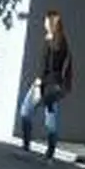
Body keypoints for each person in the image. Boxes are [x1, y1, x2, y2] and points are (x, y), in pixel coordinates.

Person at [19, 9, 73, 160]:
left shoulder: (52, 41)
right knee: (50, 117)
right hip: (54, 85)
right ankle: (50, 152)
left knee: (26, 111)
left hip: (45, 83)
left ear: (50, 23)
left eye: (46, 20)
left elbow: (46, 65)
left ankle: (27, 145)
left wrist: (38, 83)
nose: (44, 22)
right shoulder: (61, 41)